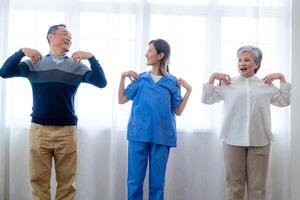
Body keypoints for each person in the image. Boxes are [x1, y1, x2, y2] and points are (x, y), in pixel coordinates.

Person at [0, 24, 107, 200]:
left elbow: (101, 82)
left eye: (70, 36)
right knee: (38, 181)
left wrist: (92, 58)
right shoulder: (34, 63)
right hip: (39, 130)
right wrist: (21, 52)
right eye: (65, 33)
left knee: (67, 183)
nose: (69, 37)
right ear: (50, 37)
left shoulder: (76, 66)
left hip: (66, 132)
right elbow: (4, 72)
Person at [201, 45, 291, 200]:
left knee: (258, 188)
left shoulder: (266, 85)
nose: (242, 63)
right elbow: (207, 99)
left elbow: (284, 101)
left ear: (256, 64)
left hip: (260, 141)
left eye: (247, 60)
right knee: (234, 187)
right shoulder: (228, 83)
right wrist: (212, 78)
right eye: (239, 60)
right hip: (232, 140)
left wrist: (282, 78)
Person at [118, 39, 192, 200]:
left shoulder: (173, 82)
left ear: (160, 55)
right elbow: (122, 99)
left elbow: (178, 111)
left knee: (157, 184)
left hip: (162, 136)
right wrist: (123, 77)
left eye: (150, 50)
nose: (146, 53)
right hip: (138, 134)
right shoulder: (140, 79)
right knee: (134, 182)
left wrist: (189, 90)